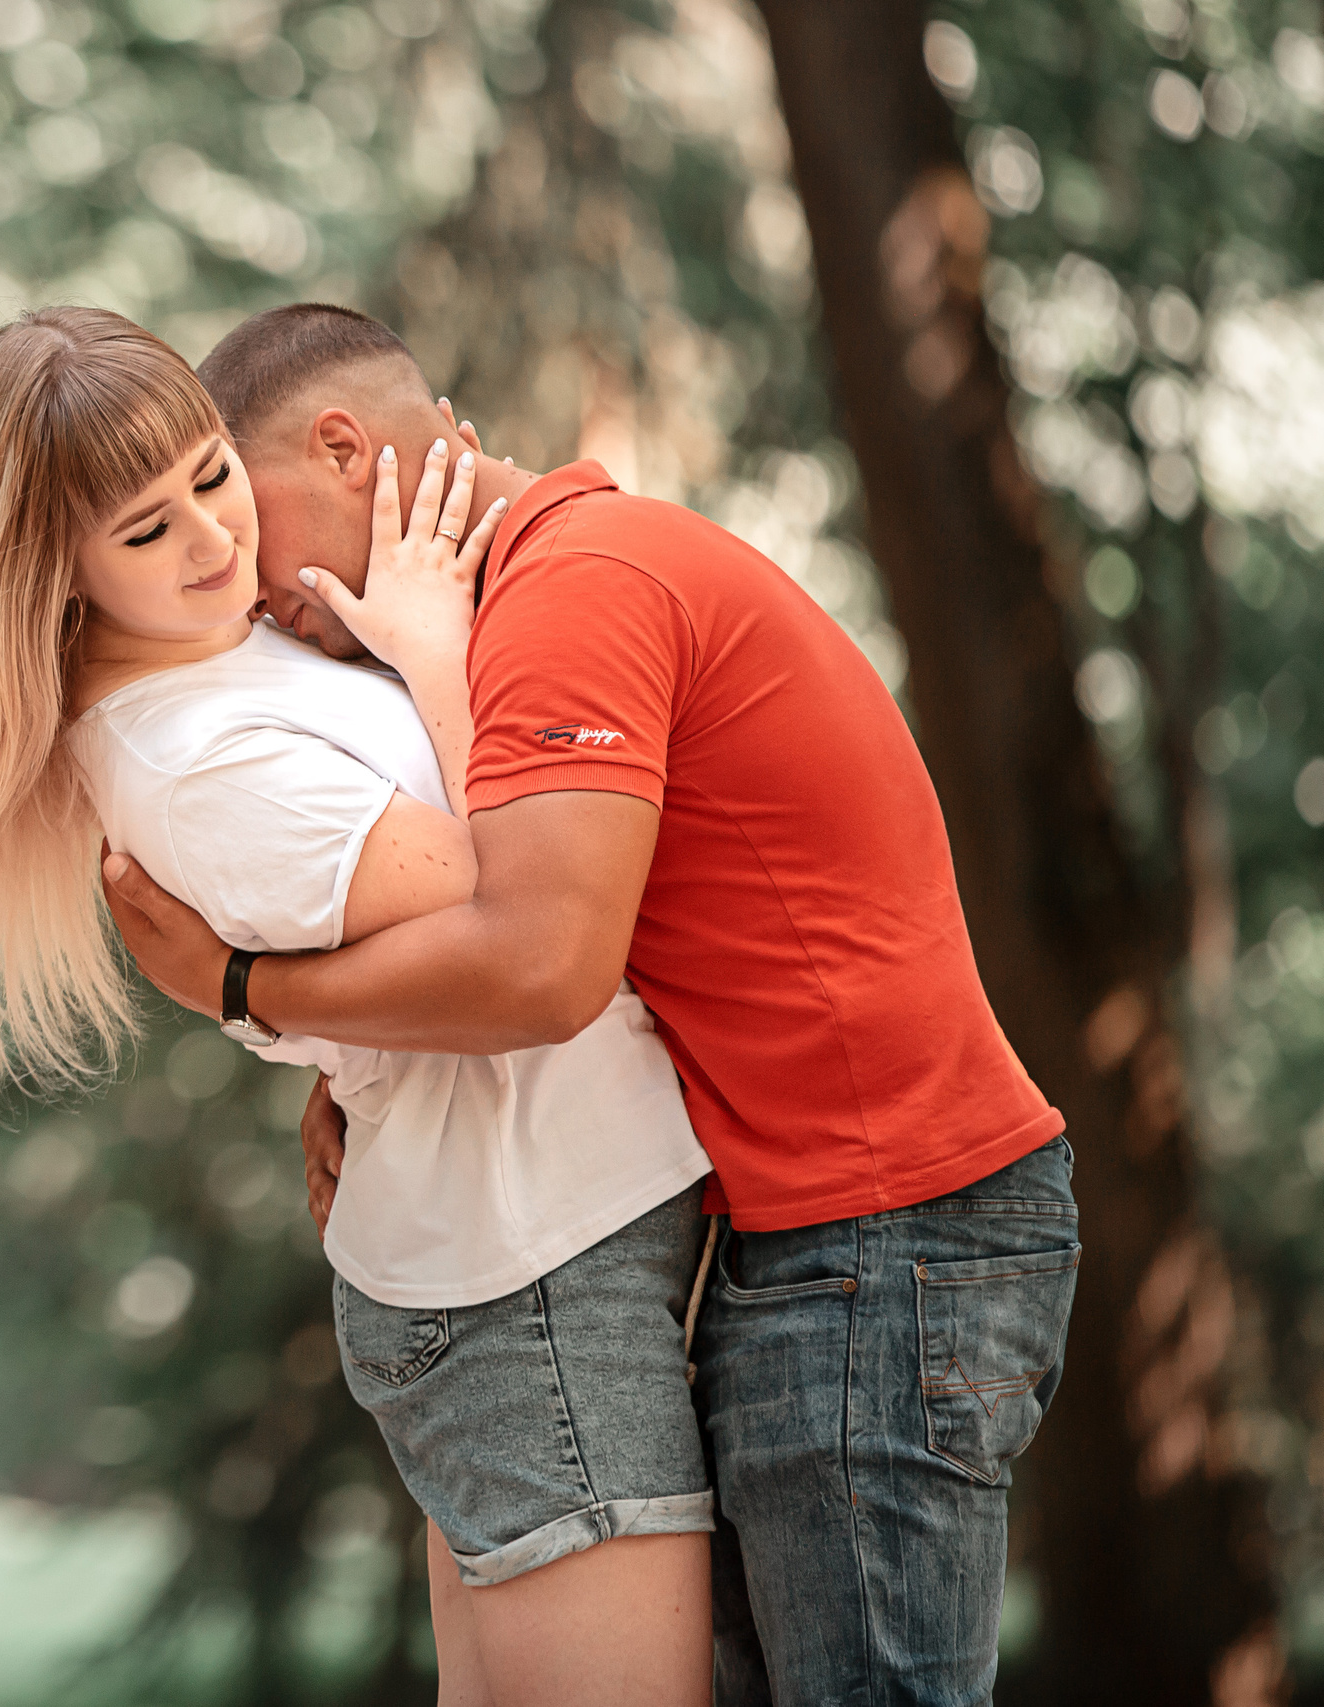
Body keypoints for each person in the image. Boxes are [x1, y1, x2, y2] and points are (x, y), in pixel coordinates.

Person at [99, 302, 1082, 1707]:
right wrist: (347, 1064)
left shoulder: (578, 593)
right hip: (824, 1231)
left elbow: (542, 970)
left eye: (251, 529)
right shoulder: (565, 580)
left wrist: (241, 984)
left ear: (342, 446)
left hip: (880, 1233)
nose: (251, 590)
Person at [0, 305, 715, 1704]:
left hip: (543, 1232)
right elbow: (528, 914)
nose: (212, 541)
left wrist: (288, 1022)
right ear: (49, 579)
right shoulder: (198, 758)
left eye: (209, 474)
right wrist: (436, 651)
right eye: (145, 533)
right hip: (535, 1267)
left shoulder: (236, 652)